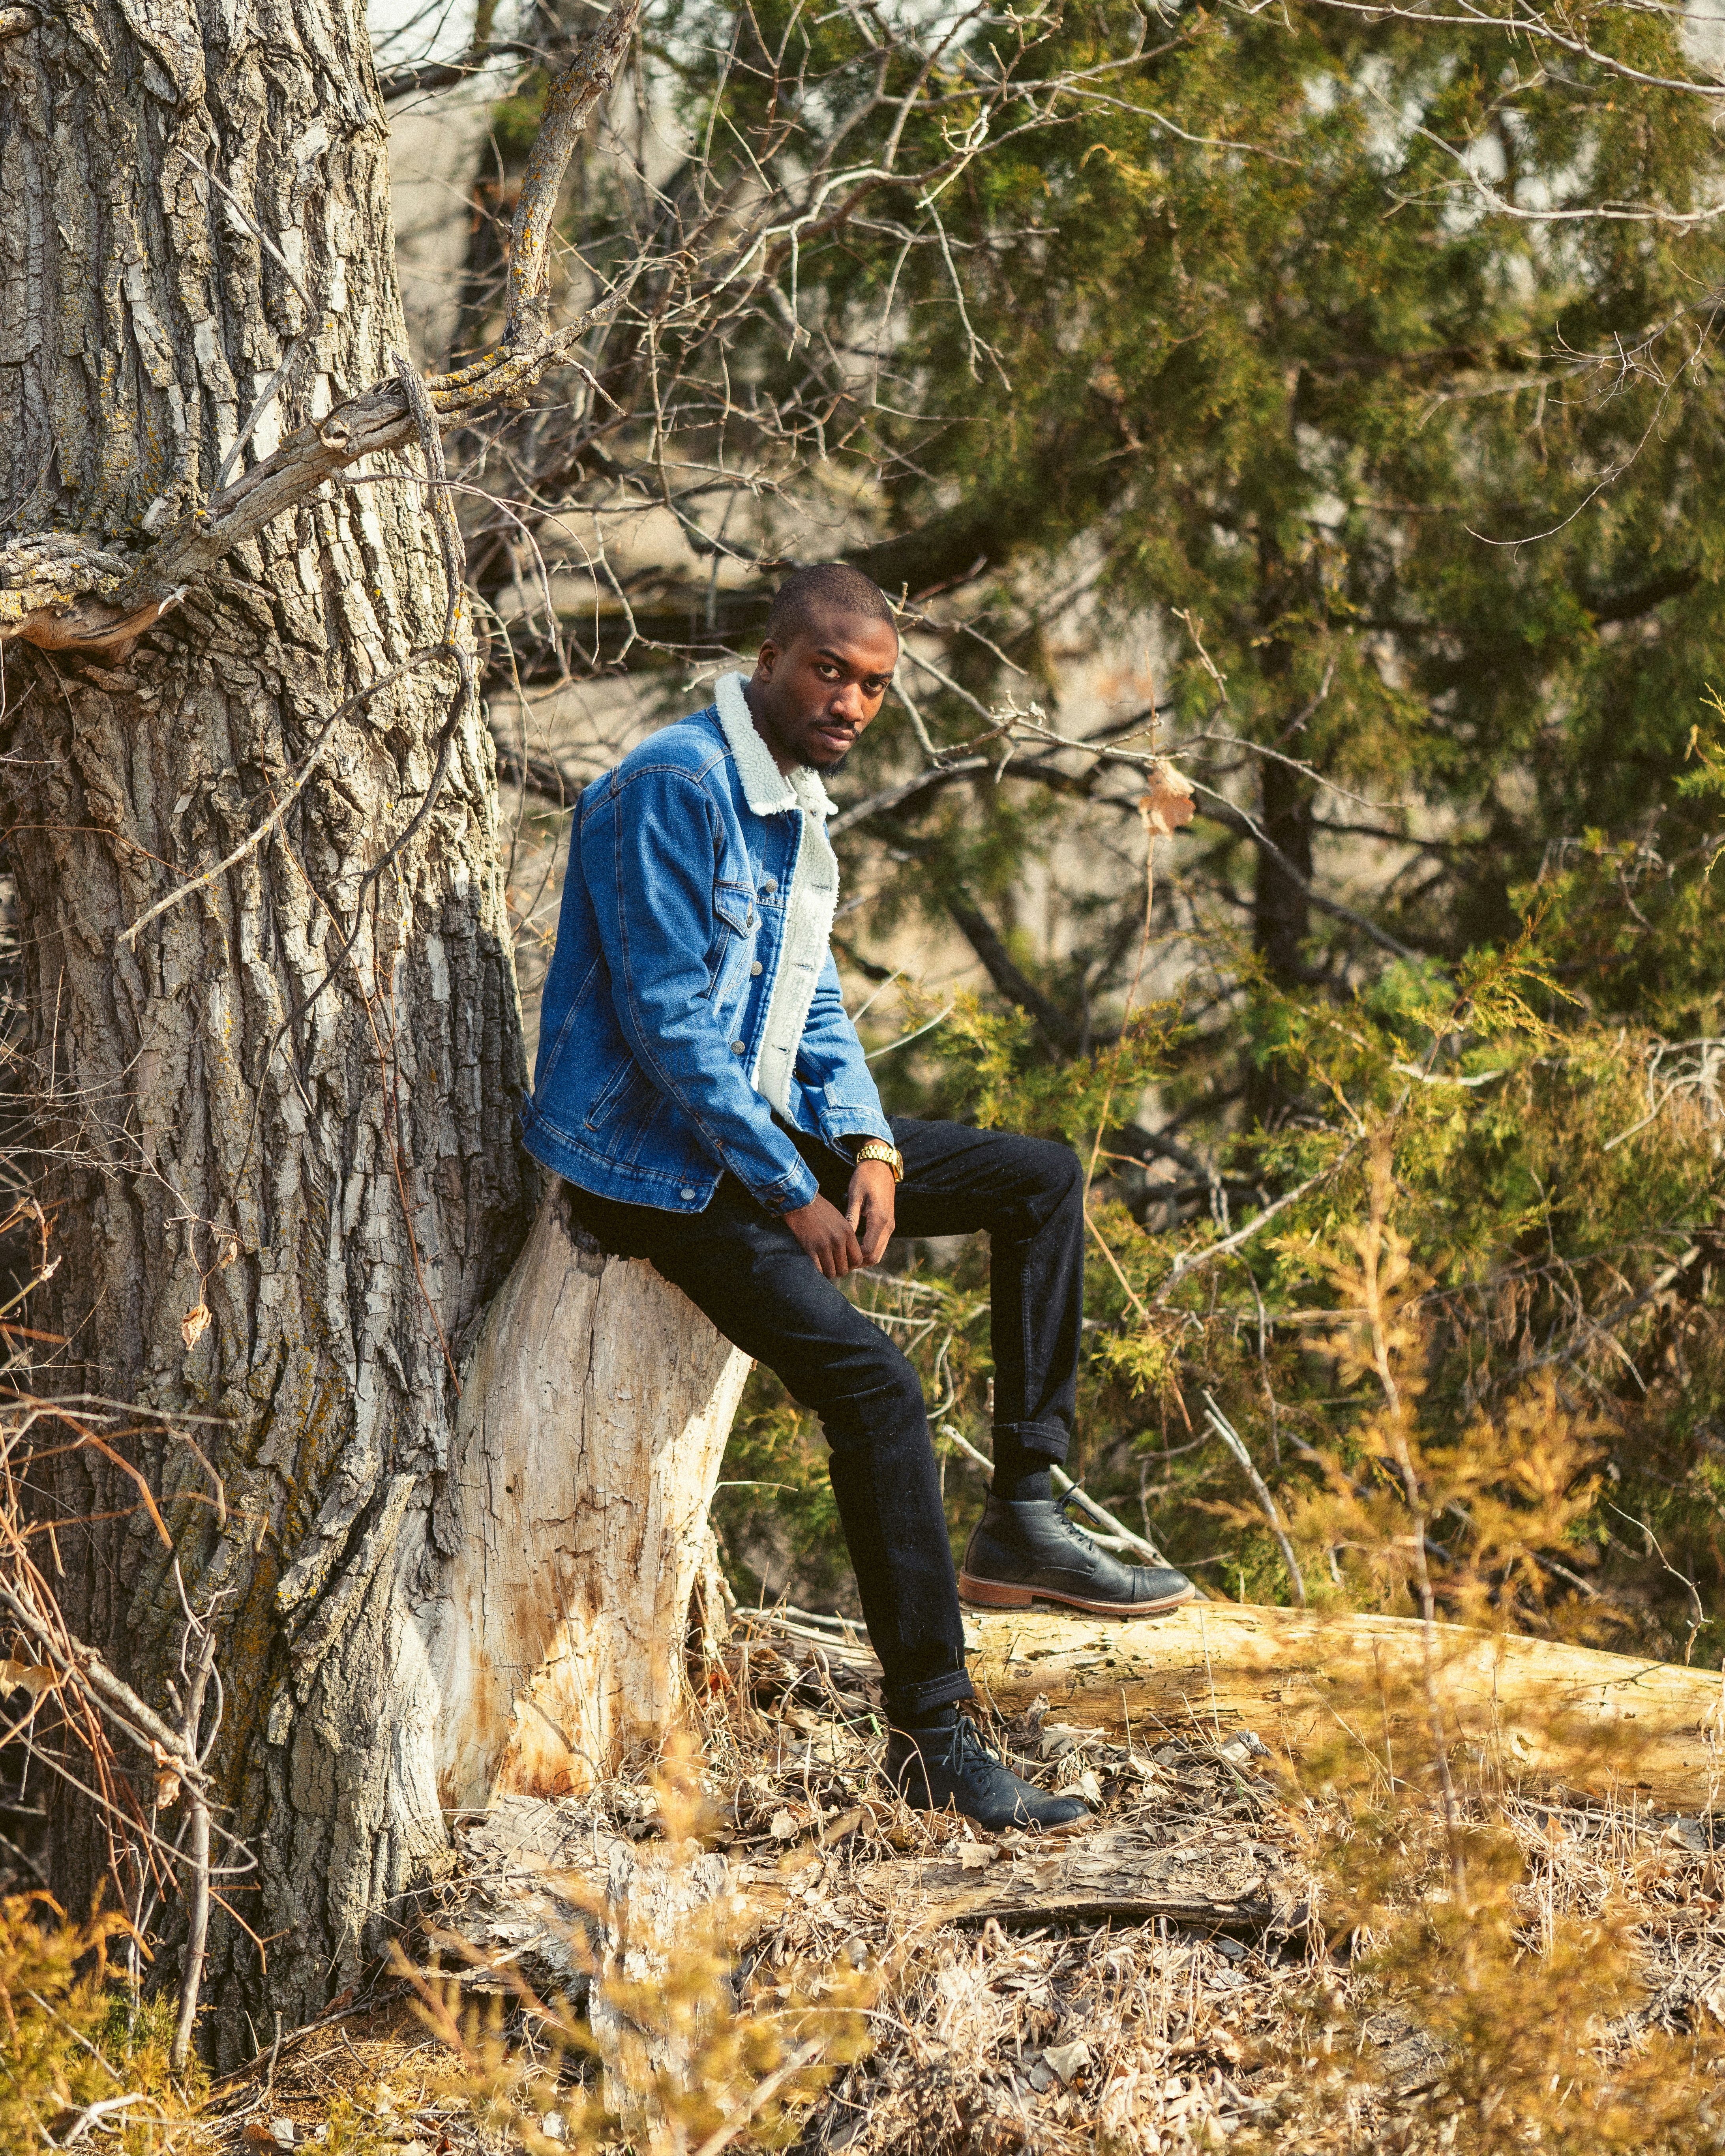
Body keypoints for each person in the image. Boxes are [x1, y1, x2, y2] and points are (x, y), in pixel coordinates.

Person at [520, 563, 1196, 1831]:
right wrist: (791, 1188)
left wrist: (870, 1148)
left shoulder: (793, 800)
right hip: (649, 1166)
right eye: (828, 671)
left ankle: (1026, 1513)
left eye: (874, 687)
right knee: (877, 1389)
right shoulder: (674, 786)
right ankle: (934, 1738)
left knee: (1038, 1181)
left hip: (741, 1132)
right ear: (769, 659)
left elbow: (809, 1000)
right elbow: (666, 1020)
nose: (848, 702)